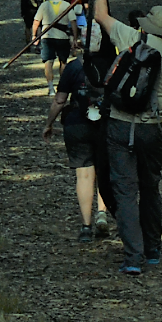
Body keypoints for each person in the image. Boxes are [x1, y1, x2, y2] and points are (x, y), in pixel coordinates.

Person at [92, 0, 162, 275]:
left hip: (119, 123)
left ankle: (133, 257)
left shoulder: (132, 38)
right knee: (151, 187)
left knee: (125, 191)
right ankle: (153, 250)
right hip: (152, 129)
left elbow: (100, 16)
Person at [42, 52, 110, 243]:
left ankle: (86, 226)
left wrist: (49, 123)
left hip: (77, 124)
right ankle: (102, 214)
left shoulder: (73, 67)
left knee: (84, 175)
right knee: (104, 171)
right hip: (106, 124)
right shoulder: (114, 63)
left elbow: (59, 100)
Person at [32, 0, 78, 95]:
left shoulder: (44, 5)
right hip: (62, 37)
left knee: (48, 62)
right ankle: (62, 86)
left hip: (47, 37)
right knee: (63, 62)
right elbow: (73, 23)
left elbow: (36, 21)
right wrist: (75, 38)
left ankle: (51, 87)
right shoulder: (67, 5)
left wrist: (34, 36)